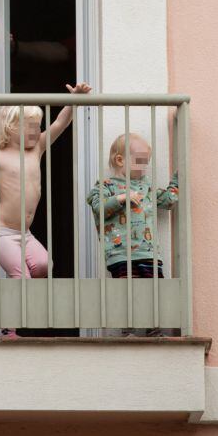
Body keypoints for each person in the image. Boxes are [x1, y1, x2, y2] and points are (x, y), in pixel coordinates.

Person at [0, 83, 91, 338]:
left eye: (37, 126)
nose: (37, 131)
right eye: (30, 127)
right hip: (0, 232)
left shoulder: (37, 148)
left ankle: (25, 301)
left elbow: (60, 124)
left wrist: (73, 100)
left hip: (25, 233)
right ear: (9, 129)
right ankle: (9, 329)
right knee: (20, 274)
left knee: (43, 265)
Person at [86, 133, 179, 334]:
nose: (144, 167)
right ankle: (127, 330)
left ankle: (154, 329)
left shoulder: (146, 187)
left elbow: (169, 201)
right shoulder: (106, 186)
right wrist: (121, 198)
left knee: (153, 292)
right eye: (140, 161)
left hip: (148, 252)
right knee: (126, 293)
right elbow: (98, 208)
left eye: (146, 163)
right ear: (120, 160)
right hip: (120, 253)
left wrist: (179, 177)